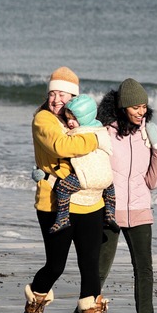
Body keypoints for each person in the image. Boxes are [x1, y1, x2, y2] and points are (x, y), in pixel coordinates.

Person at [71, 77, 157, 313]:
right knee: (99, 269)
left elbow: (153, 182)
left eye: (144, 106)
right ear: (122, 107)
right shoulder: (105, 133)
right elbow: (87, 164)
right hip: (108, 209)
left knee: (145, 271)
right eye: (135, 107)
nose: (141, 111)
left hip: (140, 208)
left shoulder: (147, 134)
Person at [21, 66, 113, 313]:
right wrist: (98, 137)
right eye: (52, 92)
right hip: (52, 201)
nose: (56, 99)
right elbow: (62, 146)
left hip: (89, 202)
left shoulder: (81, 121)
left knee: (90, 266)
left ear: (73, 97)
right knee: (55, 265)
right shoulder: (43, 120)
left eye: (62, 94)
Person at [48, 94, 116, 234]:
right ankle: (110, 214)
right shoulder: (102, 130)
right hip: (106, 177)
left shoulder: (76, 134)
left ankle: (62, 218)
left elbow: (66, 147)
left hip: (85, 177)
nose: (70, 122)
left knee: (62, 188)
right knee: (109, 188)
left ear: (84, 118)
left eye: (74, 118)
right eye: (68, 119)